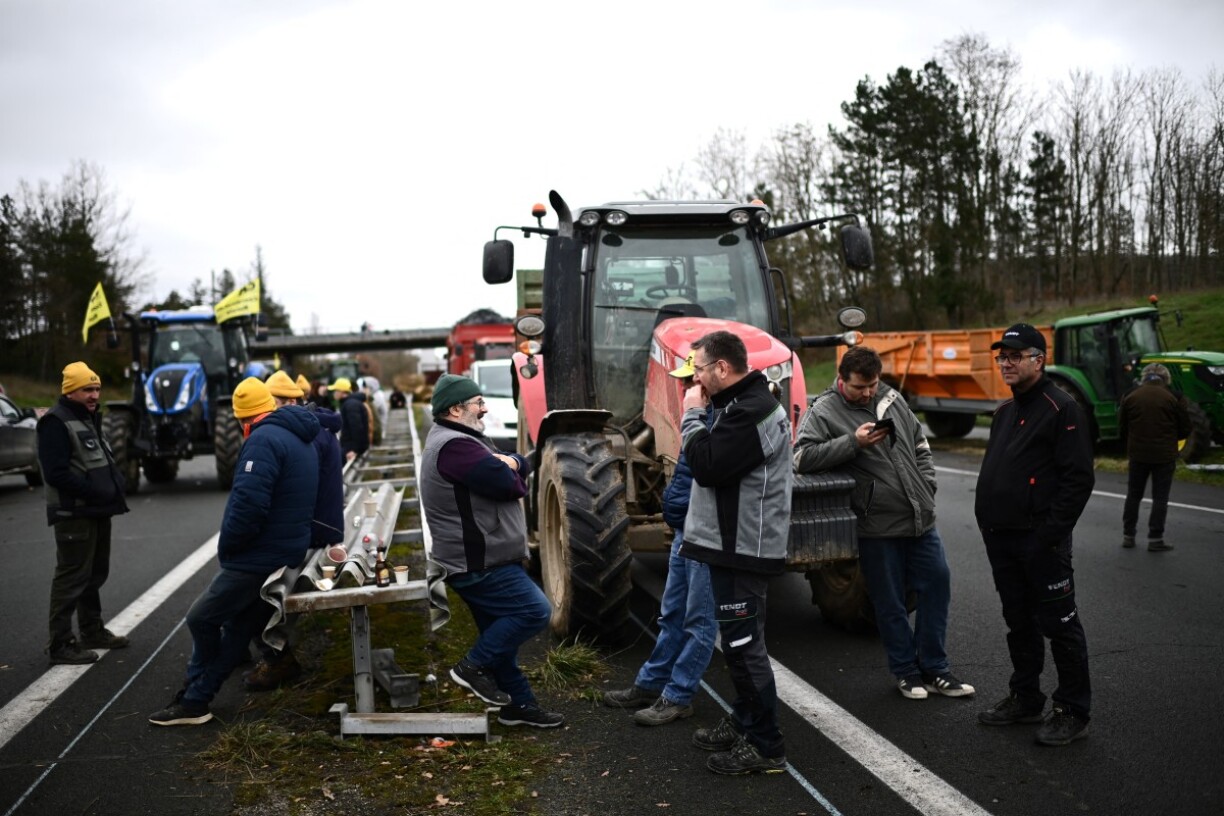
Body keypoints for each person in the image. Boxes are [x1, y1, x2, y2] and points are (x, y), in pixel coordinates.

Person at [793, 346, 975, 702]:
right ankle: (906, 673)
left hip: (919, 516)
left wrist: (928, 483)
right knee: (889, 602)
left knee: (937, 584)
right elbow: (802, 458)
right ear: (842, 380)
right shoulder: (824, 410)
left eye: (873, 384)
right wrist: (853, 443)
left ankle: (936, 669)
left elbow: (920, 443)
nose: (868, 392)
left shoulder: (891, 398)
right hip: (876, 524)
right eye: (860, 386)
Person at [149, 377, 319, 726]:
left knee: (201, 617)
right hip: (286, 551)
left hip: (258, 556)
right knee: (240, 628)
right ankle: (196, 700)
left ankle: (194, 691)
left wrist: (229, 547)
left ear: (244, 419)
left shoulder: (263, 441)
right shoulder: (300, 436)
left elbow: (248, 506)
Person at [419, 373, 563, 729]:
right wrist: (513, 466)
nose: (484, 409)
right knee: (534, 611)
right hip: (479, 561)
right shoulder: (455, 447)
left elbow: (514, 463)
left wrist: (512, 462)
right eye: (477, 403)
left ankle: (519, 706)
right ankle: (470, 667)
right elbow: (509, 484)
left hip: (479, 557)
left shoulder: (463, 440)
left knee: (500, 639)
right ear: (455, 409)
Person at [975, 323, 1095, 747]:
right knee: (1018, 622)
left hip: (1040, 541)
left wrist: (1049, 535)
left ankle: (1072, 710)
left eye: (1014, 355)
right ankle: (1026, 697)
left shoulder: (1062, 408)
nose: (1005, 362)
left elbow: (1077, 480)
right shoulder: (1005, 412)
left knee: (1060, 624)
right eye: (1001, 356)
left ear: (1038, 360)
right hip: (1002, 538)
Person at [678, 330, 790, 775]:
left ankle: (766, 746)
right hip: (730, 545)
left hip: (743, 546)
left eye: (700, 370)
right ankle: (746, 721)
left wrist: (690, 417)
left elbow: (706, 466)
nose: (697, 381)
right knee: (738, 643)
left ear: (722, 367)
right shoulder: (738, 405)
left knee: (745, 646)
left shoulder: (753, 411)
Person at [603, 352, 716, 726]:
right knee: (672, 613)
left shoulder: (714, 420)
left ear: (709, 379)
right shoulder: (697, 419)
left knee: (700, 619)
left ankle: (679, 695)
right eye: (683, 380)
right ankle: (651, 682)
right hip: (687, 526)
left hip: (706, 532)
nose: (684, 387)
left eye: (690, 379)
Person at [244, 370, 345, 691]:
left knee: (250, 586)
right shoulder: (314, 427)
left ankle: (276, 659)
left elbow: (294, 491)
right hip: (323, 523)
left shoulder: (306, 434)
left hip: (312, 529)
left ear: (285, 401)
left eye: (269, 403)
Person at [37, 361, 130, 665]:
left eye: (97, 388)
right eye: (87, 389)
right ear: (70, 391)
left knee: (93, 574)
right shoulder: (55, 422)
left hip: (96, 511)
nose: (94, 395)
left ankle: (92, 631)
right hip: (74, 514)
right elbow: (56, 474)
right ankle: (60, 644)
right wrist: (96, 491)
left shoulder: (87, 417)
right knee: (71, 578)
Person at [1119, 363, 1190, 552]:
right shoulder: (1175, 397)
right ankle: (1155, 538)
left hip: (1138, 455)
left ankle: (1128, 535)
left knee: (1134, 495)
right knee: (1160, 497)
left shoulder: (1130, 395)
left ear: (1144, 377)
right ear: (1166, 378)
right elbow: (1186, 428)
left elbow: (1122, 428)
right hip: (1164, 456)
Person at [329, 377, 369, 462]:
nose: (334, 393)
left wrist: (354, 450)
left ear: (342, 392)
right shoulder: (348, 403)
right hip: (349, 446)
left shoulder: (350, 405)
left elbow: (357, 428)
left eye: (336, 390)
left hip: (351, 449)